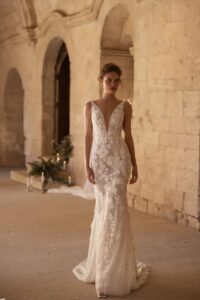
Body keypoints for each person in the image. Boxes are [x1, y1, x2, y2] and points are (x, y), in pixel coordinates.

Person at [72, 63, 151, 298]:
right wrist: (86, 164)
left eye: (117, 81)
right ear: (101, 80)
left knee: (115, 210)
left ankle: (111, 276)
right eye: (109, 80)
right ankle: (101, 267)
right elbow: (87, 136)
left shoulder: (125, 107)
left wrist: (135, 164)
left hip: (119, 162)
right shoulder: (90, 106)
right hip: (99, 162)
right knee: (102, 211)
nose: (113, 85)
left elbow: (128, 136)